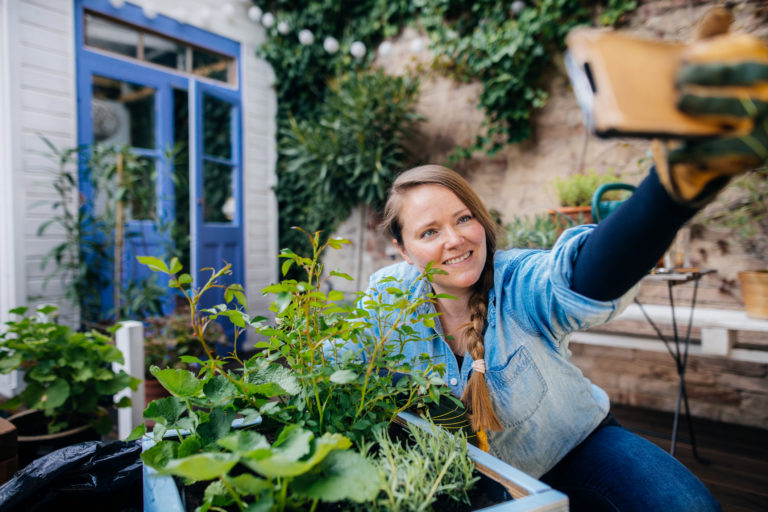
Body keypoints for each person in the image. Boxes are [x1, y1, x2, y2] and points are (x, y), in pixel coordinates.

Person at [357, 11, 767, 512]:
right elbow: (356, 380)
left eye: (464, 219)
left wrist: (670, 193)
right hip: (466, 480)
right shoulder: (387, 298)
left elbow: (577, 278)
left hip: (577, 445)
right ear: (400, 249)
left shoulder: (513, 280)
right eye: (428, 231)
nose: (455, 240)